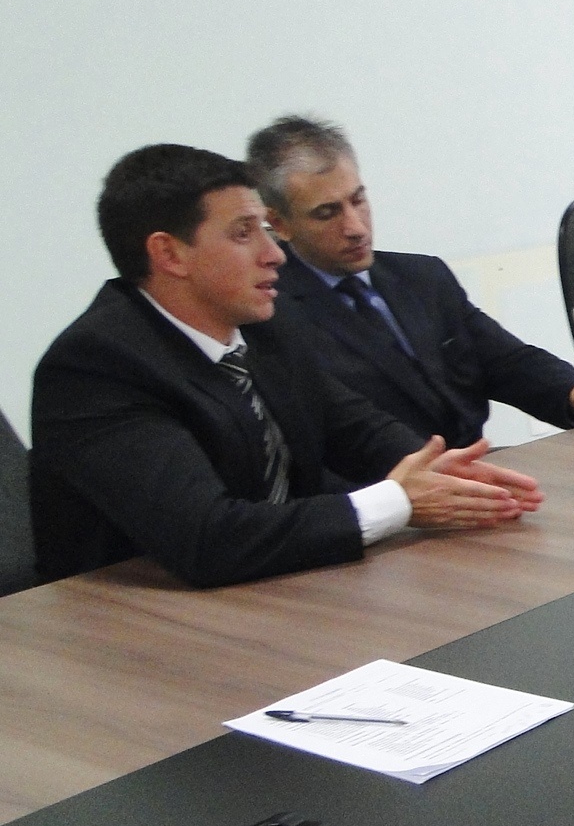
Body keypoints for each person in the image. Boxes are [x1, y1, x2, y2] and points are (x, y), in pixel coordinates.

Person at [31, 145, 543, 588]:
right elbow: (208, 539)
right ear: (170, 254)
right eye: (243, 234)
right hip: (132, 634)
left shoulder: (262, 327)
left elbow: (354, 428)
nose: (275, 254)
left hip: (276, 587)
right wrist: (397, 503)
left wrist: (447, 476)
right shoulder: (96, 367)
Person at [250, 115, 574, 446]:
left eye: (358, 200)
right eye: (326, 213)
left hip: (480, 471)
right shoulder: (272, 314)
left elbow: (506, 361)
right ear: (280, 224)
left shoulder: (422, 277)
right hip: (392, 499)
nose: (354, 227)